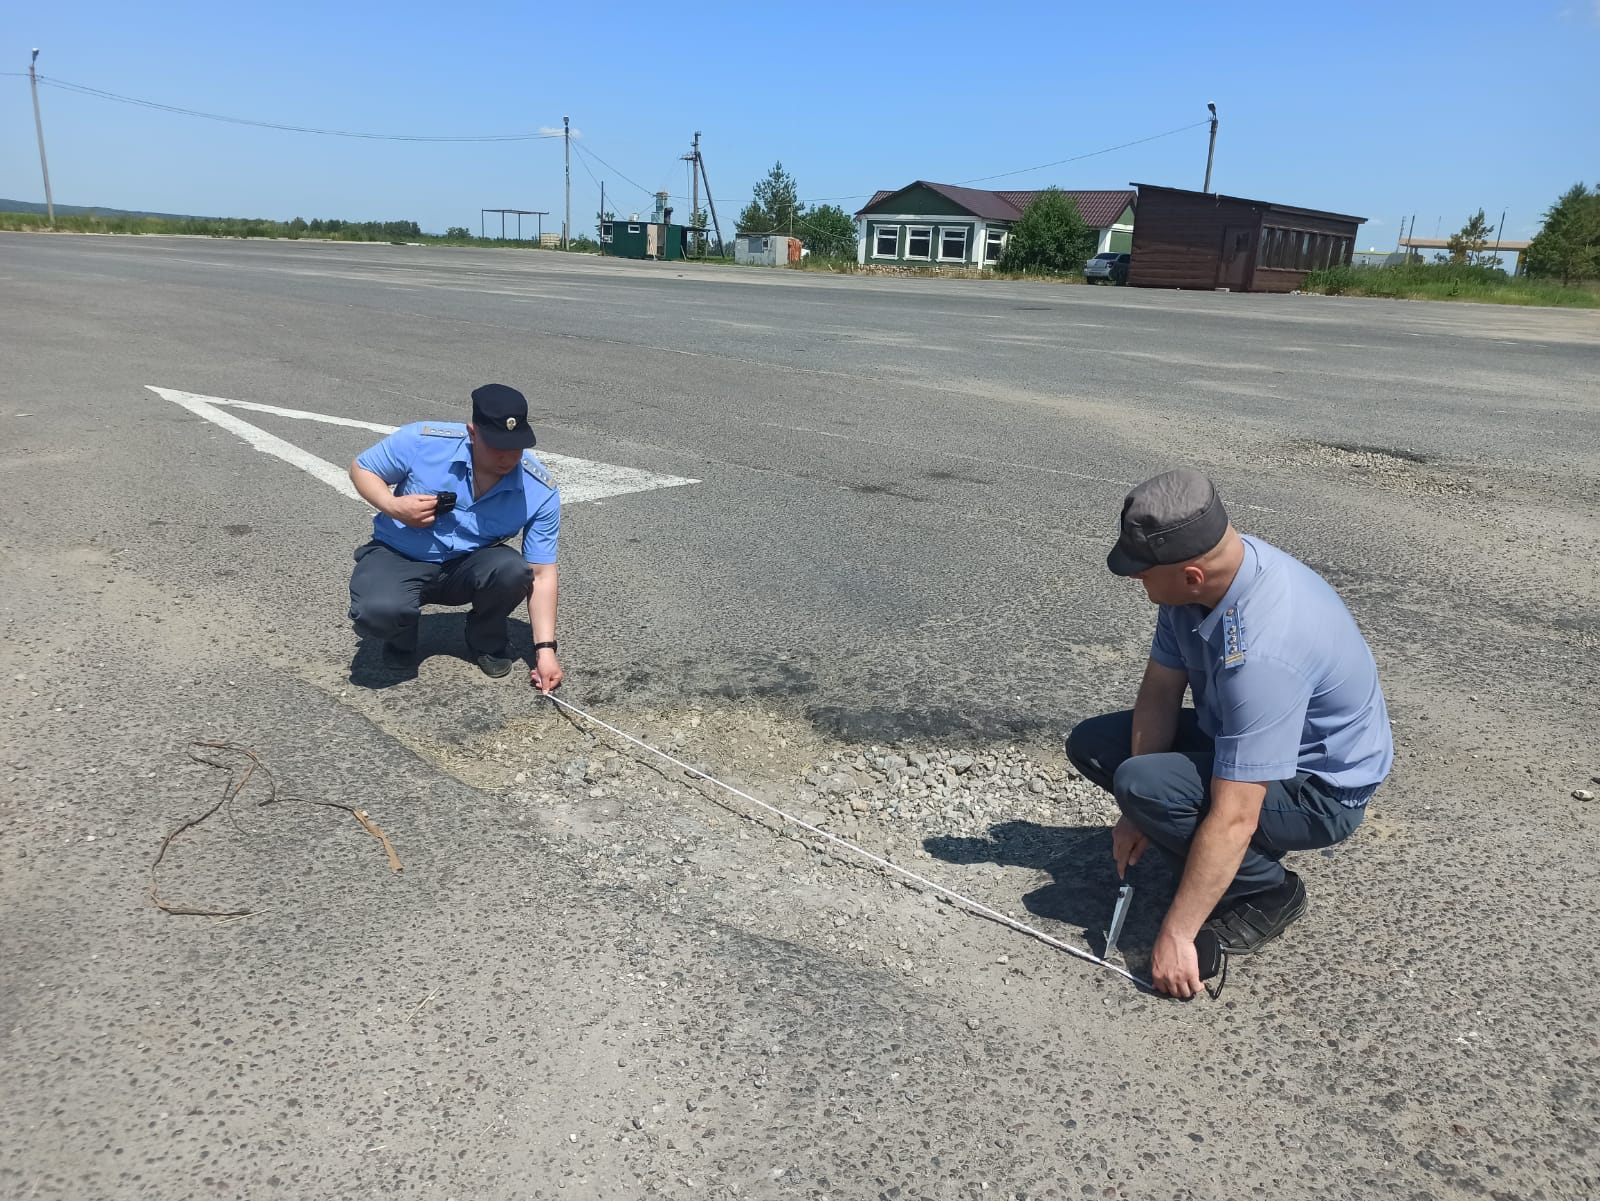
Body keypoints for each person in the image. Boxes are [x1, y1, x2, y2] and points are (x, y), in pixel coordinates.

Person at [1066, 469, 1391, 998]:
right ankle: (1197, 850)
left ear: (1192, 575)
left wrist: (1176, 934)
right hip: (1241, 734)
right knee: (1099, 748)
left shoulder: (1266, 649)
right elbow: (1159, 694)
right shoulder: (1204, 581)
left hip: (1317, 787)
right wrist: (1135, 815)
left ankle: (1267, 890)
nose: (1134, 580)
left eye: (1143, 571)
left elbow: (1237, 813)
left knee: (1147, 783)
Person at [347, 383, 564, 691]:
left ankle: (485, 638)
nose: (507, 457)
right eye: (496, 446)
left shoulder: (539, 490)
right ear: (472, 433)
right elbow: (362, 468)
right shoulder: (422, 443)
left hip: (467, 566)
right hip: (400, 555)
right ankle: (401, 635)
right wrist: (393, 506)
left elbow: (542, 575)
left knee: (514, 570)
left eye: (515, 447)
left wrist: (545, 651)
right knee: (377, 610)